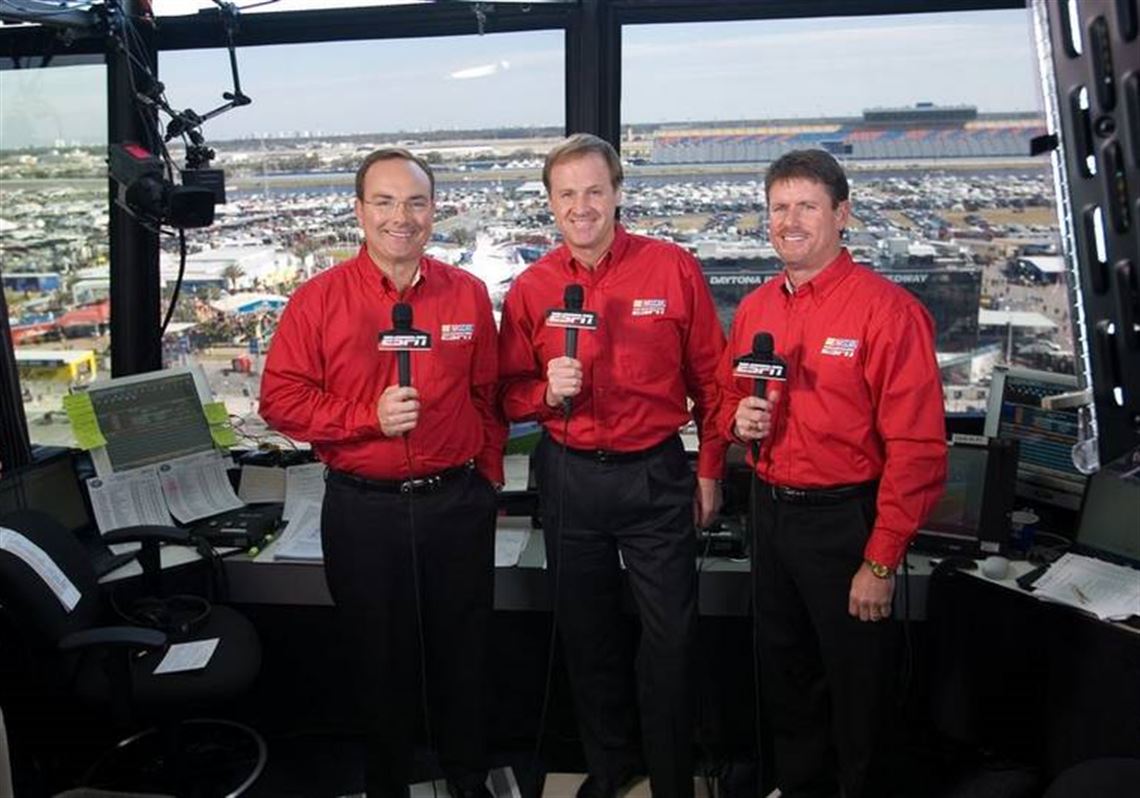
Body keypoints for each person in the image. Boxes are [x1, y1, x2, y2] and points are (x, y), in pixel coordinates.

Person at [260, 148, 504, 798]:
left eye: (416, 202)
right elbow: (279, 403)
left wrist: (488, 481)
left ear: (434, 211)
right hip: (364, 512)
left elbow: (487, 396)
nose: (402, 217)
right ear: (360, 211)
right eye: (386, 202)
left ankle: (468, 780)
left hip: (456, 504)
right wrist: (366, 416)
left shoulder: (469, 294)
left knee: (466, 657)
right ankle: (387, 786)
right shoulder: (318, 301)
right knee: (378, 664)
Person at [498, 133, 728, 798]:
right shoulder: (532, 287)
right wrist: (545, 391)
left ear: (619, 193)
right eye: (566, 194)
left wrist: (710, 468)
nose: (582, 206)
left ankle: (671, 780)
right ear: (550, 203)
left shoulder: (671, 268)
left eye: (594, 190)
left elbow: (713, 381)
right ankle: (609, 772)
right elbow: (504, 393)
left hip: (656, 474)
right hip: (570, 476)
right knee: (588, 640)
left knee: (671, 641)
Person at [718, 148, 947, 798]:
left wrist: (878, 563)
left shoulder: (887, 313)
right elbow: (728, 398)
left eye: (806, 206)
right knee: (786, 676)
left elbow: (920, 451)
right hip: (770, 511)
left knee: (859, 690)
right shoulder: (759, 308)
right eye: (779, 208)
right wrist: (739, 421)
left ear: (842, 214)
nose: (789, 221)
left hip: (847, 521)